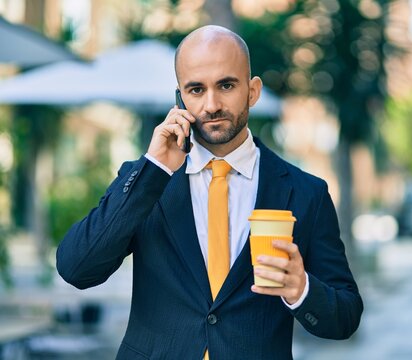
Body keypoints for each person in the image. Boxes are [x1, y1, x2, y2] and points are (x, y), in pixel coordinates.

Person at [56, 25, 362, 360]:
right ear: (180, 98)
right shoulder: (147, 179)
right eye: (196, 89)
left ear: (252, 90)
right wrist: (154, 169)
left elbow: (345, 316)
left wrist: (301, 288)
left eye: (226, 85)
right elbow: (77, 269)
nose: (212, 104)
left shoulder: (307, 193)